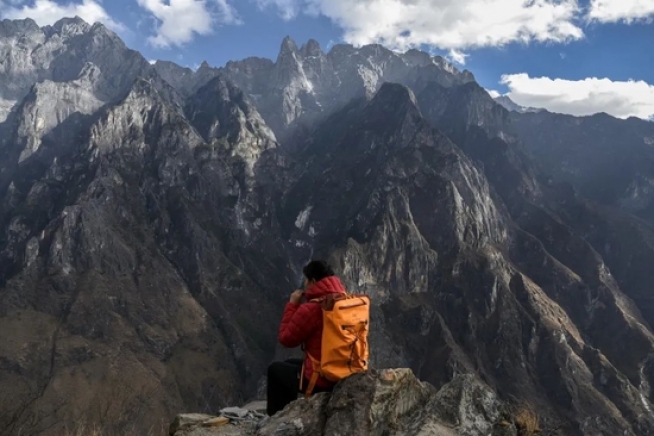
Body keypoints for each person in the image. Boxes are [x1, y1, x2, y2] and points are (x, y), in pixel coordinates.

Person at [266, 260, 347, 416]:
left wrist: (292, 305)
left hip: (323, 379)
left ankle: (277, 420)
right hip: (343, 370)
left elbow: (286, 339)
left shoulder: (313, 308)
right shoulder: (344, 301)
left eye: (305, 280)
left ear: (313, 281)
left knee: (275, 370)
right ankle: (288, 414)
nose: (304, 284)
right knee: (288, 364)